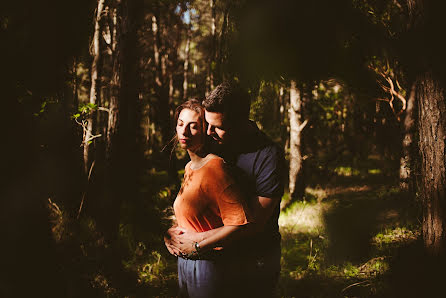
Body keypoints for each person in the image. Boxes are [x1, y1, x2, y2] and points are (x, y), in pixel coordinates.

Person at [167, 81, 285, 297]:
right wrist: (176, 232)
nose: (209, 131)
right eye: (207, 124)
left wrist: (195, 241)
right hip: (222, 259)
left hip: (257, 260)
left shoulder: (269, 157)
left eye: (217, 127)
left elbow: (255, 223)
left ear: (240, 124)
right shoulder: (215, 142)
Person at [165, 99, 253, 298]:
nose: (184, 132)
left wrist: (197, 247)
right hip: (186, 264)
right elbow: (193, 217)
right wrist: (171, 234)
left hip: (210, 266)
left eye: (193, 126)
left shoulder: (215, 168)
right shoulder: (189, 168)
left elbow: (239, 224)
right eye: (180, 124)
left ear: (206, 131)